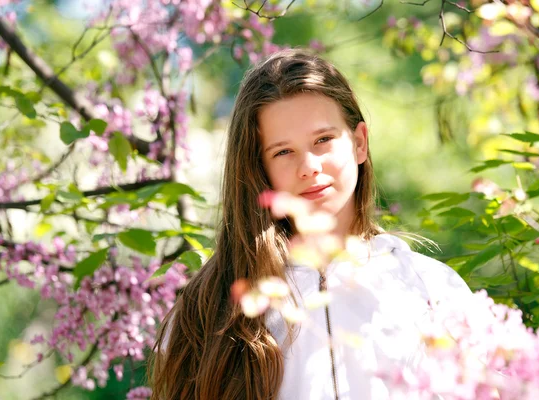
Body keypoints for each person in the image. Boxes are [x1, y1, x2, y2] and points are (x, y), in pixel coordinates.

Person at [149, 49, 474, 400]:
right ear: (260, 170)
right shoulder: (208, 307)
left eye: (323, 140)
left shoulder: (431, 288)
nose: (309, 166)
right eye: (282, 152)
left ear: (359, 142)